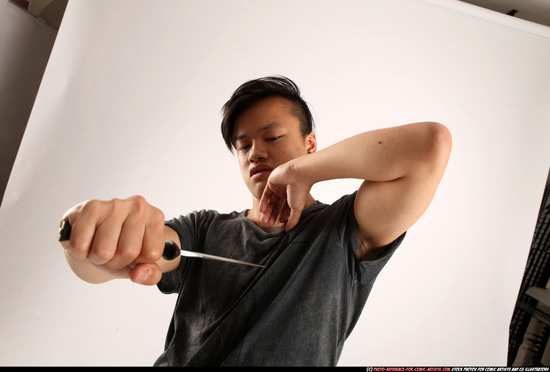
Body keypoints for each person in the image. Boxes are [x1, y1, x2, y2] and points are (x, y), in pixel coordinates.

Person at [59, 76, 452, 366]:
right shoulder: (205, 228)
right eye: (243, 145)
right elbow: (130, 257)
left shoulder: (345, 230)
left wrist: (302, 172)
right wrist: (89, 243)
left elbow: (429, 146)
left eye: (273, 137)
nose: (255, 153)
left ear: (310, 144)